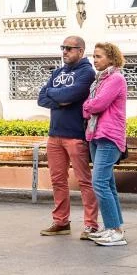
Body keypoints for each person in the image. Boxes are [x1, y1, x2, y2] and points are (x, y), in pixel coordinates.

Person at [35, 35, 99, 239]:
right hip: (54, 135)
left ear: (81, 51)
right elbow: (41, 98)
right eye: (63, 48)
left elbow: (71, 96)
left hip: (75, 135)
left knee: (84, 181)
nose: (65, 52)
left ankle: (91, 225)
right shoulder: (58, 72)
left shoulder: (87, 72)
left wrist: (59, 95)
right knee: (57, 180)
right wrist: (59, 98)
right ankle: (61, 222)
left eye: (70, 48)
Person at [82, 41, 129, 247]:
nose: (95, 60)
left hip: (109, 135)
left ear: (111, 58)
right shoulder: (99, 81)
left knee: (99, 182)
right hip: (95, 134)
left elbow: (97, 104)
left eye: (99, 56)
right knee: (108, 184)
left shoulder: (116, 78)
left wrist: (89, 105)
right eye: (94, 56)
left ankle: (114, 231)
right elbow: (88, 108)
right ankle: (114, 227)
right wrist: (89, 106)